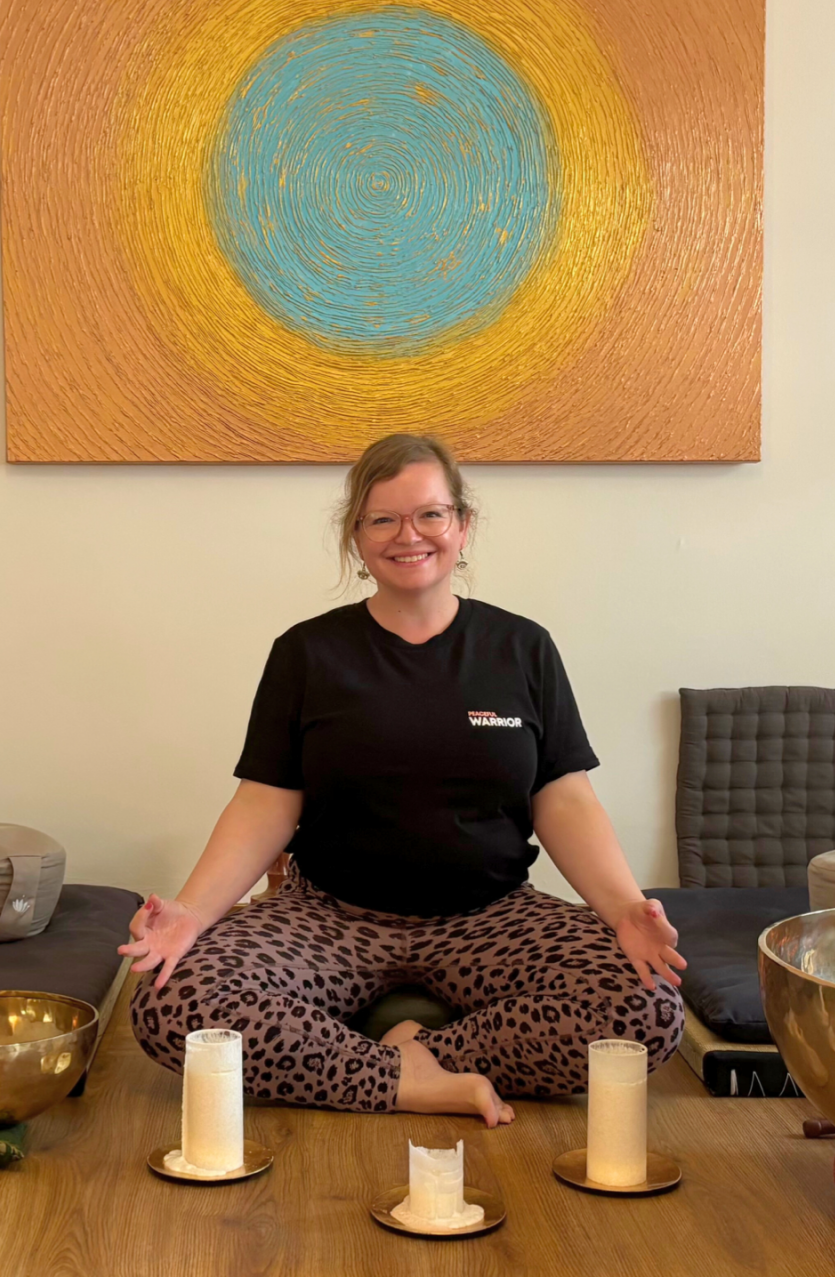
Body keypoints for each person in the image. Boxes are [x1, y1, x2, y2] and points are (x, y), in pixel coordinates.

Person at [122, 433, 684, 1124]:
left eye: (430, 515)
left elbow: (564, 799)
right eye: (382, 518)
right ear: (356, 536)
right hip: (330, 918)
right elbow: (265, 802)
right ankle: (407, 1080)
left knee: (646, 1007)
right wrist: (189, 911)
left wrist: (624, 909)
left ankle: (418, 1055)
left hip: (491, 916)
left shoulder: (521, 648)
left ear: (462, 525)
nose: (408, 535)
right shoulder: (307, 652)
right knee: (171, 1000)